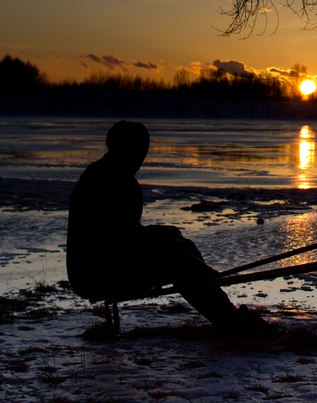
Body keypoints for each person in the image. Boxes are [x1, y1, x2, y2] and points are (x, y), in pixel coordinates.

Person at [67, 120, 275, 338]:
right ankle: (231, 322)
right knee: (177, 261)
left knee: (181, 248)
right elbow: (116, 240)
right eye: (139, 151)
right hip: (97, 274)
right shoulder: (111, 180)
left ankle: (223, 310)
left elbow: (124, 234)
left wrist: (165, 235)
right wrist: (164, 241)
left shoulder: (103, 174)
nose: (141, 159)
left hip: (99, 267)